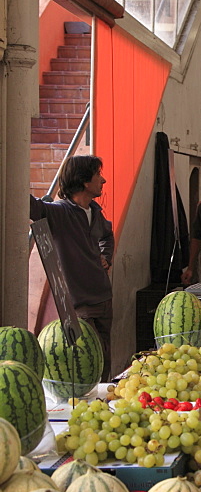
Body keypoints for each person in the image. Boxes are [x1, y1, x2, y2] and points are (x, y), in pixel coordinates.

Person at [30, 155, 114, 379]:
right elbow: (31, 207)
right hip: (80, 306)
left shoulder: (95, 211)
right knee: (87, 364)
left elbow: (107, 235)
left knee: (105, 362)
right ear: (85, 182)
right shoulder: (60, 213)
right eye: (98, 175)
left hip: (104, 299)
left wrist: (106, 256)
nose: (103, 181)